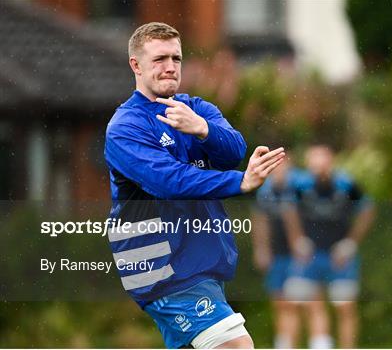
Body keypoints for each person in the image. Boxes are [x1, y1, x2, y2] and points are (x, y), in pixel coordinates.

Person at [104, 22, 285, 349]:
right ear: (136, 65)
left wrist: (202, 129)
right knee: (238, 346)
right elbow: (168, 181)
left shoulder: (197, 109)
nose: (170, 67)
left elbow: (234, 151)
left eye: (176, 58)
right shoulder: (125, 127)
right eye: (159, 59)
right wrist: (240, 181)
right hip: (164, 267)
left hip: (198, 262)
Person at [283, 143, 376, 348]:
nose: (318, 167)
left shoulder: (346, 184)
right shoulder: (300, 186)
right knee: (301, 303)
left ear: (331, 161)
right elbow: (289, 212)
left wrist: (350, 243)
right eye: (313, 162)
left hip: (340, 255)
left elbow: (368, 210)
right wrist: (297, 241)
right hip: (310, 254)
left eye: (321, 161)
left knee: (345, 307)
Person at [251, 158, 301, 348]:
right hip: (276, 255)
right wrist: (261, 250)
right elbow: (259, 222)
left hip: (298, 256)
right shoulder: (265, 192)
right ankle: (284, 343)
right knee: (279, 303)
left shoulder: (300, 187)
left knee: (296, 303)